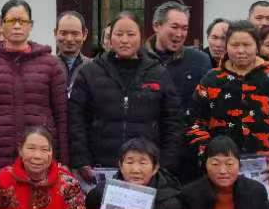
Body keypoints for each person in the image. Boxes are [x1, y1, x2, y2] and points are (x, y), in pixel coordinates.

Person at [186, 21, 269, 200]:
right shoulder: (211, 80)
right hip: (220, 173)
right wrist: (207, 155)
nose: (241, 51)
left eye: (247, 45)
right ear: (226, 46)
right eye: (235, 45)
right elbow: (194, 122)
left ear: (257, 46)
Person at [0, 0, 69, 181]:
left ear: (31, 25)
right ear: (0, 23)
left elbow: (62, 115)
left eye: (23, 21)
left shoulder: (50, 64)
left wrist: (64, 160)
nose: (17, 26)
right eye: (12, 21)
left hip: (39, 158)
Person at [67, 12, 183, 174]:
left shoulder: (158, 73)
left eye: (131, 34)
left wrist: (164, 165)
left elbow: (173, 122)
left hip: (144, 168)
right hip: (99, 167)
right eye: (119, 34)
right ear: (110, 38)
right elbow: (76, 120)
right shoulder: (90, 73)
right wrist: (81, 161)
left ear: (141, 37)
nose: (124, 40)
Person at [0, 125, 85, 209]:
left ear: (52, 153)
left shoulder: (69, 184)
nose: (37, 156)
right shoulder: (1, 180)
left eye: (44, 149)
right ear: (20, 150)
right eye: (31, 148)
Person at [177, 135, 269, 209]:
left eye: (229, 164)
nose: (223, 171)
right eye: (215, 164)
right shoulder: (189, 195)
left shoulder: (256, 191)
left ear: (239, 165)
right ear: (205, 166)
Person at [84, 137, 182, 209]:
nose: (135, 170)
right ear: (120, 166)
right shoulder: (101, 194)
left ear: (155, 168)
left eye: (143, 163)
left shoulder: (170, 202)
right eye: (129, 162)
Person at [146, 0, 213, 102]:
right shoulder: (138, 59)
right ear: (156, 26)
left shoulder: (200, 61)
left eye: (184, 28)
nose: (179, 34)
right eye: (174, 27)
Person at [53, 10, 90, 87]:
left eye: (75, 34)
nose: (69, 39)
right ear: (55, 33)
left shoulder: (93, 68)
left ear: (84, 34)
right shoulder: (47, 66)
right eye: (63, 33)